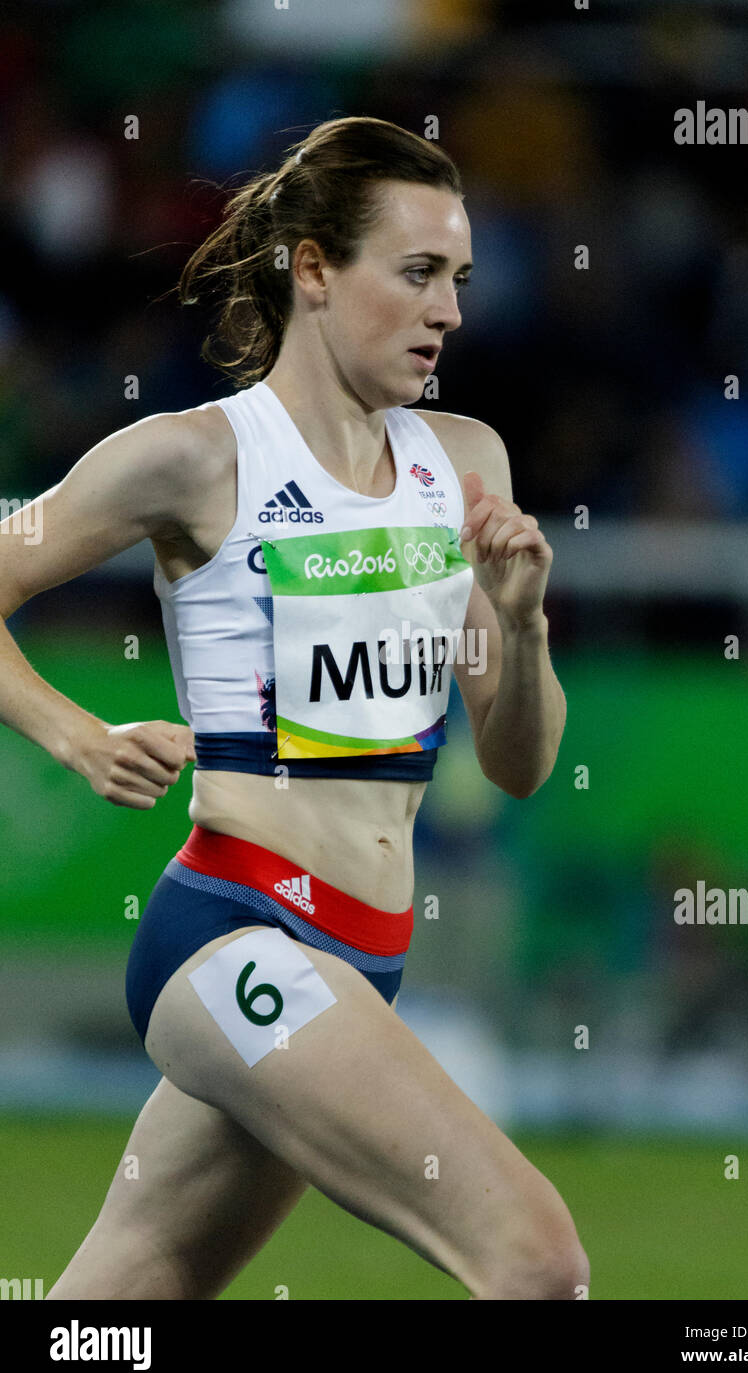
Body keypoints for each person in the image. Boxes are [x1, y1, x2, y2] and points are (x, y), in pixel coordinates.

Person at [0, 116, 588, 1301]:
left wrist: (518, 627)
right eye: (416, 273)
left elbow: (519, 762)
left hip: (364, 960)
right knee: (536, 1261)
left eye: (459, 280)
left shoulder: (464, 461)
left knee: (114, 1311)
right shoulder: (193, 458)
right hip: (232, 935)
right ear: (312, 270)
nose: (450, 312)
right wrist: (76, 733)